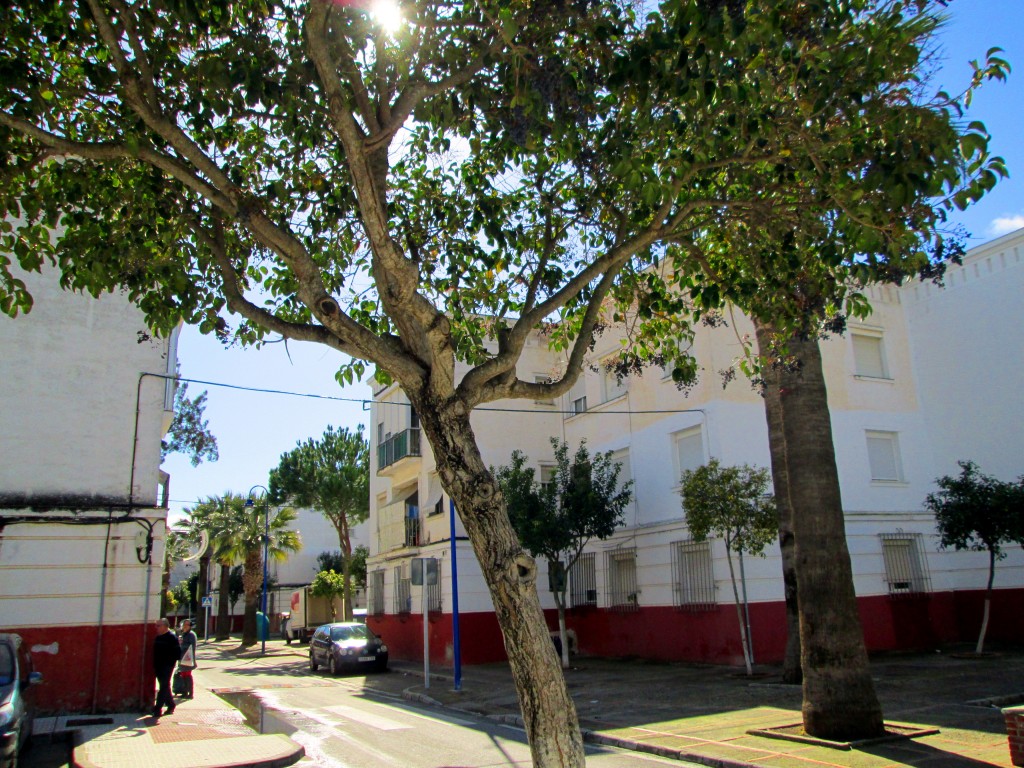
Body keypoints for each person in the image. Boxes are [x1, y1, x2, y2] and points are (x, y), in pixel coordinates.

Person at [152, 618, 180, 718]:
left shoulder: (172, 638)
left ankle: (158, 708)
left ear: (165, 626)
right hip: (158, 666)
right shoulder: (158, 637)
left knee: (163, 686)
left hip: (167, 666)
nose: (156, 628)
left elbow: (177, 653)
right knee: (165, 685)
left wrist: (169, 662)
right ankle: (171, 704)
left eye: (158, 626)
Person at [177, 618, 198, 699]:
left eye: (187, 625)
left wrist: (182, 647)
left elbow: (191, 646)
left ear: (190, 626)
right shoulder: (183, 634)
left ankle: (191, 693)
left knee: (188, 675)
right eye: (184, 624)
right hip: (182, 658)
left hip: (188, 658)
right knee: (183, 675)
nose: (185, 626)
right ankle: (185, 692)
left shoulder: (191, 635)